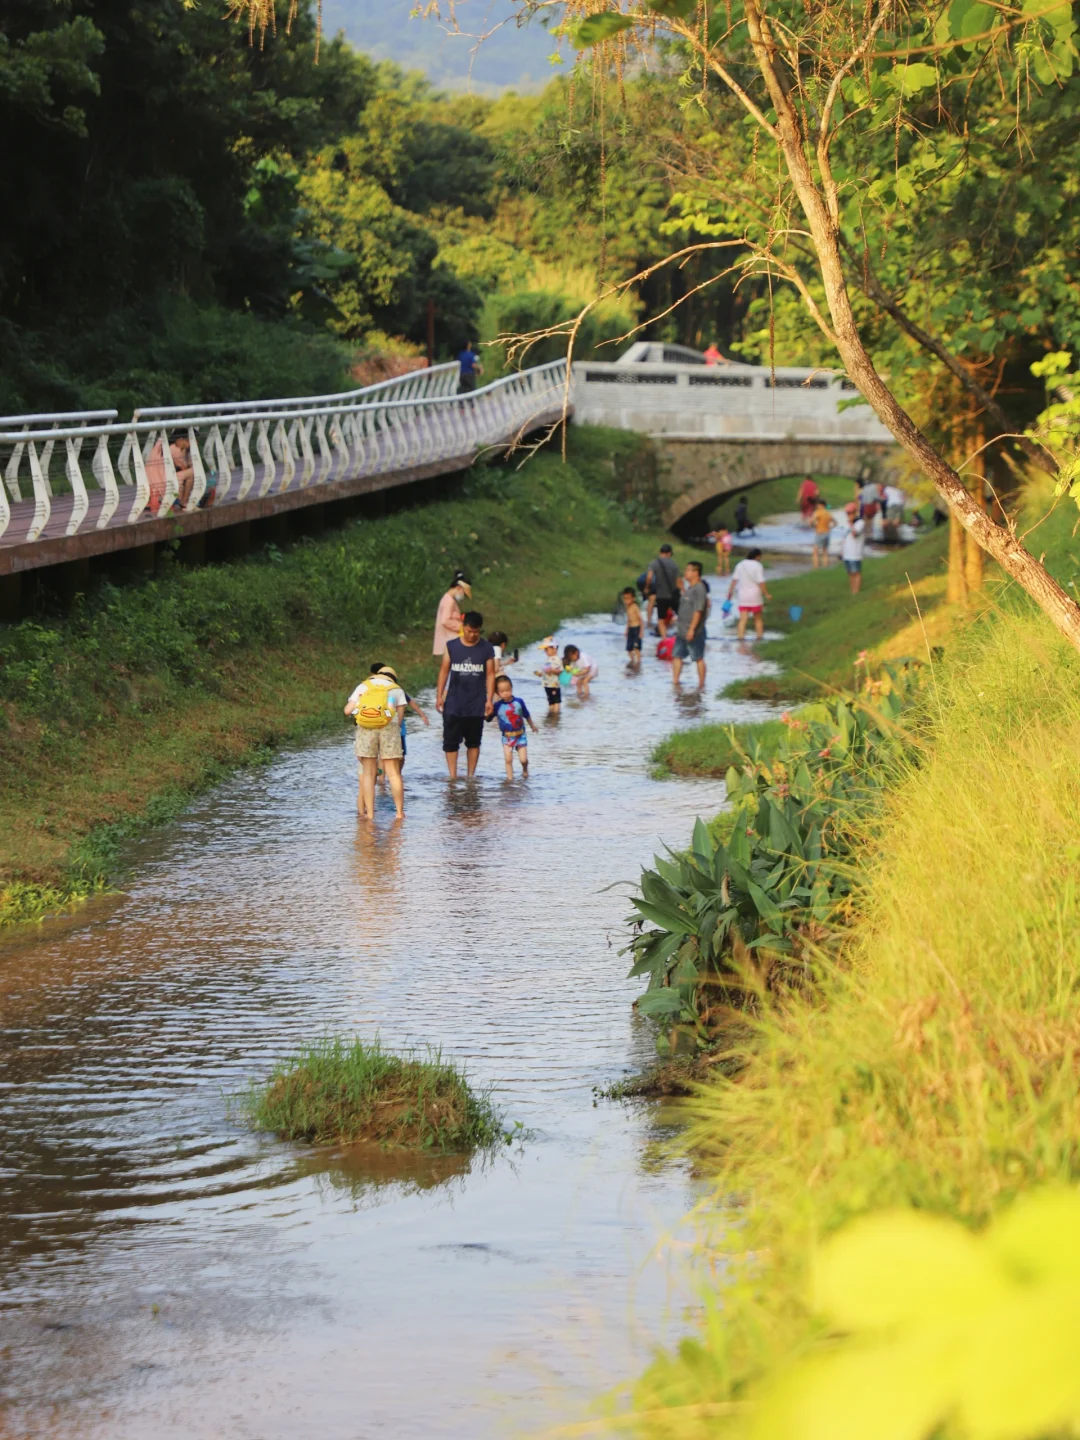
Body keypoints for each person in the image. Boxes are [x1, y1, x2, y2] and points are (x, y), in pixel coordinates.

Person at [436, 611, 495, 778]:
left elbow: (490, 674)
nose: (472, 635)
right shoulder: (451, 646)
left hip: (476, 704)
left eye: (476, 632)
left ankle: (471, 776)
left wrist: (489, 699)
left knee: (474, 742)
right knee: (450, 742)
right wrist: (439, 695)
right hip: (454, 702)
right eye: (469, 631)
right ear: (463, 628)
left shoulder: (486, 648)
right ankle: (452, 776)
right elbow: (444, 671)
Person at [345, 665, 408, 821]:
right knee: (393, 773)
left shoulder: (363, 686)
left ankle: (370, 815)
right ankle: (399, 813)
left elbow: (347, 711)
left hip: (366, 729)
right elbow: (399, 719)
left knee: (368, 773)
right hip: (389, 729)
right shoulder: (397, 690)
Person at [488, 674, 538, 778]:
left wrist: (532, 726)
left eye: (508, 690)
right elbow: (488, 718)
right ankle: (510, 779)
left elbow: (526, 714)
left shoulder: (519, 702)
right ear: (497, 693)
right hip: (506, 736)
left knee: (523, 759)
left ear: (511, 688)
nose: (506, 693)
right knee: (508, 759)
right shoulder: (497, 706)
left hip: (520, 735)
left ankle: (525, 768)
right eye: (502, 691)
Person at [673, 560, 708, 688]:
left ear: (696, 572)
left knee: (697, 657)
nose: (685, 572)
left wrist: (692, 629)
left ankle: (701, 684)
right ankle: (675, 682)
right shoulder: (689, 589)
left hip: (694, 631)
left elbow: (698, 611)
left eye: (688, 570)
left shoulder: (699, 589)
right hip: (681, 630)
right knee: (677, 655)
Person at [145, 431, 194, 515]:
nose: (191, 444)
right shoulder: (174, 448)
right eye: (189, 441)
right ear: (181, 440)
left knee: (186, 474)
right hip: (163, 485)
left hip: (151, 483)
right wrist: (185, 451)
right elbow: (184, 466)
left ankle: (182, 500)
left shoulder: (161, 444)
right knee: (194, 471)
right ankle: (183, 501)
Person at [728, 546, 771, 641]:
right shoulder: (758, 565)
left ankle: (740, 638)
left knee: (743, 619)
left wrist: (729, 593)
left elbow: (734, 580)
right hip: (755, 595)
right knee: (758, 618)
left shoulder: (740, 565)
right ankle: (759, 638)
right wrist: (766, 593)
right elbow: (761, 581)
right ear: (758, 556)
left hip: (742, 595)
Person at [432, 570, 472, 657]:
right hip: (449, 638)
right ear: (459, 588)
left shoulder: (449, 599)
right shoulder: (449, 601)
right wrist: (462, 628)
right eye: (463, 594)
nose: (463, 597)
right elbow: (445, 620)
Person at [646, 543, 680, 638]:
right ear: (669, 553)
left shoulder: (654, 563)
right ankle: (681, 635)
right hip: (673, 595)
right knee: (681, 616)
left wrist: (647, 587)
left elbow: (649, 577)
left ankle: (664, 640)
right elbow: (678, 581)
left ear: (660, 552)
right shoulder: (674, 564)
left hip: (661, 595)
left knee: (660, 619)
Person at [841, 502, 866, 594]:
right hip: (847, 553)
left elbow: (855, 534)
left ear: (855, 512)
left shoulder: (860, 522)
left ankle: (856, 591)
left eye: (851, 513)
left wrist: (851, 523)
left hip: (855, 553)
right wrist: (842, 551)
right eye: (848, 513)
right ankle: (853, 590)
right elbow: (845, 538)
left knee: (856, 572)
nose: (849, 515)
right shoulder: (846, 524)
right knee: (850, 573)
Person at [535, 636, 564, 712]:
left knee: (556, 701)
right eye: (545, 650)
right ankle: (551, 713)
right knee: (550, 701)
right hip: (547, 684)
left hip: (554, 684)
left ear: (554, 649)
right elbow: (545, 670)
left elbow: (560, 671)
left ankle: (556, 714)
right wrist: (540, 673)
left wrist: (552, 670)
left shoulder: (557, 659)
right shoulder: (548, 659)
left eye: (547, 649)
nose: (545, 651)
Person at [621, 587, 642, 669]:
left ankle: (639, 662)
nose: (626, 601)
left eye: (628, 599)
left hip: (636, 628)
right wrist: (626, 630)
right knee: (629, 649)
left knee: (636, 648)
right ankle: (633, 661)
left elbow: (641, 620)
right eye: (624, 599)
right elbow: (629, 620)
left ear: (633, 598)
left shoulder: (635, 607)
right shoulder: (627, 607)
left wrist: (641, 632)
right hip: (631, 629)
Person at [811, 497, 834, 569]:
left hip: (820, 533)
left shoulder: (818, 512)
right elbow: (835, 523)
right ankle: (826, 567)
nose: (817, 506)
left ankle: (816, 568)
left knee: (815, 552)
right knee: (825, 552)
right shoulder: (828, 513)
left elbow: (812, 522)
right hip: (827, 533)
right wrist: (830, 527)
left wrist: (814, 526)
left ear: (821, 505)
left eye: (818, 505)